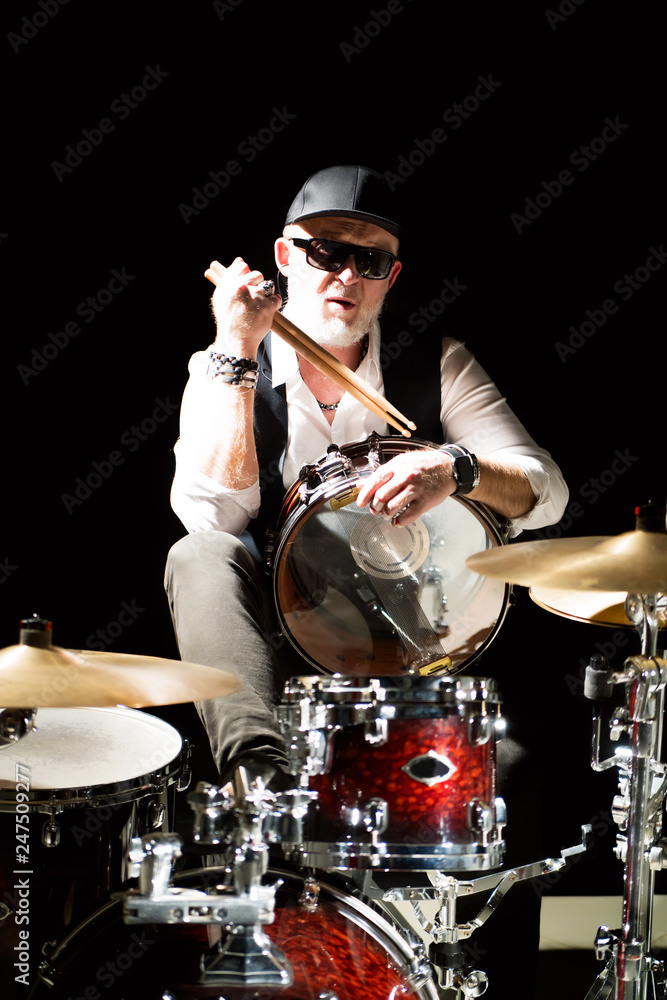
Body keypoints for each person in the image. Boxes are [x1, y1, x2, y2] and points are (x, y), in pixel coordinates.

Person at [164, 164, 569, 997]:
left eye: (370, 261)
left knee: (519, 766)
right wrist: (237, 350)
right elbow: (216, 512)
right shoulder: (227, 362)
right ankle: (260, 782)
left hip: (410, 648)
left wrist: (455, 468)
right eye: (322, 253)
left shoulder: (436, 362)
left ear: (393, 276)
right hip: (281, 638)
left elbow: (544, 490)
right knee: (197, 556)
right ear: (283, 255)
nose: (344, 276)